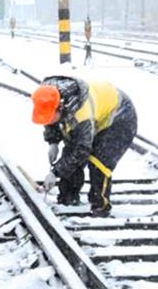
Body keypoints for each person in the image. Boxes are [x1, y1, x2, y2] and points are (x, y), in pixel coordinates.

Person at [31, 76, 137, 217]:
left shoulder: (81, 115)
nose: (49, 121)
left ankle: (100, 207)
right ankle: (68, 199)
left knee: (98, 162)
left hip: (119, 117)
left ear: (60, 108)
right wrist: (53, 142)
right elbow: (52, 121)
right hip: (95, 117)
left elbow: (81, 150)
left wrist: (55, 173)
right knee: (71, 154)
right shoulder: (49, 97)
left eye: (51, 117)